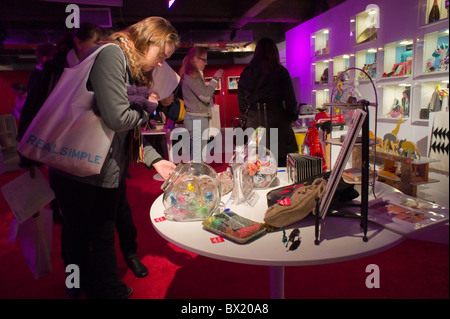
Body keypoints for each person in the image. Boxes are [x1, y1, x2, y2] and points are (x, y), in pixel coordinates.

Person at [237, 37, 298, 167]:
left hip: (254, 123)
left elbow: (241, 102)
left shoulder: (247, 73)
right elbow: (291, 101)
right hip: (276, 122)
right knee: (279, 162)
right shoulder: (280, 72)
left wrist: (251, 114)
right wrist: (289, 118)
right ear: (274, 52)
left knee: (255, 162)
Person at [179, 47, 223, 162]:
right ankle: (197, 177)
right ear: (196, 59)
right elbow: (205, 97)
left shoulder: (192, 75)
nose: (206, 63)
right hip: (196, 118)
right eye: (204, 60)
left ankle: (197, 177)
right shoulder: (191, 76)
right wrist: (215, 79)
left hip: (196, 117)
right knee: (199, 155)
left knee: (198, 154)